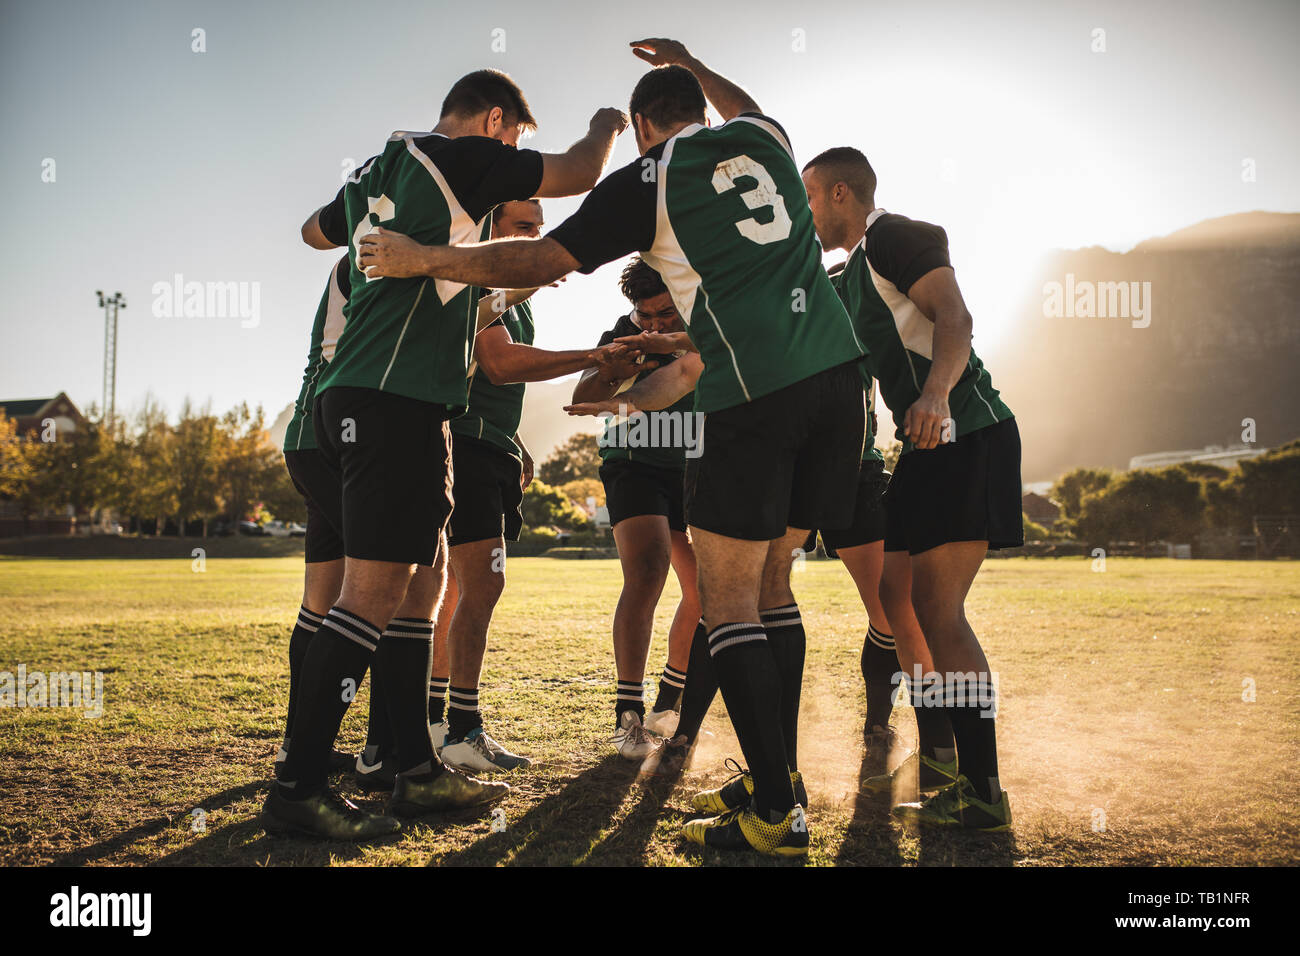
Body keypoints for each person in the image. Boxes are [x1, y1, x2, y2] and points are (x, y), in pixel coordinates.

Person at [359, 40, 870, 858]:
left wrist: (431, 258)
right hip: (841, 384)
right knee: (775, 589)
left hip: (755, 392)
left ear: (639, 127)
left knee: (730, 598)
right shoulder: (766, 139)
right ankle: (783, 781)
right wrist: (696, 59)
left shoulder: (652, 176)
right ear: (702, 109)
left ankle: (778, 811)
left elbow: (540, 255)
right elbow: (743, 102)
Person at [261, 67, 629, 840]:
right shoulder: (460, 156)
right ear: (497, 122)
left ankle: (415, 769)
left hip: (371, 397)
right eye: (514, 143)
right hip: (393, 399)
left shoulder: (379, 170)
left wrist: (399, 235)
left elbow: (311, 233)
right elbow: (583, 173)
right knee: (370, 594)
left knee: (421, 585)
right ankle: (297, 787)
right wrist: (606, 124)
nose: (512, 165)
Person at [801, 145, 1022, 830]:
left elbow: (955, 318)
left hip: (965, 429)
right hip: (925, 448)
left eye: (807, 197)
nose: (804, 212)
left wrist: (935, 396)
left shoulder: (897, 235)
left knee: (937, 609)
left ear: (842, 193)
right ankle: (942, 759)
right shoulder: (851, 278)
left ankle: (984, 790)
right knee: (896, 598)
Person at [570, 256, 701, 760]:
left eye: (665, 314)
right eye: (645, 316)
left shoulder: (704, 323)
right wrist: (610, 374)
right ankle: (628, 716)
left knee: (706, 590)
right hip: (635, 459)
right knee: (647, 574)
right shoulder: (621, 335)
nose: (654, 325)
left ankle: (668, 707)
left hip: (693, 463)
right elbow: (584, 395)